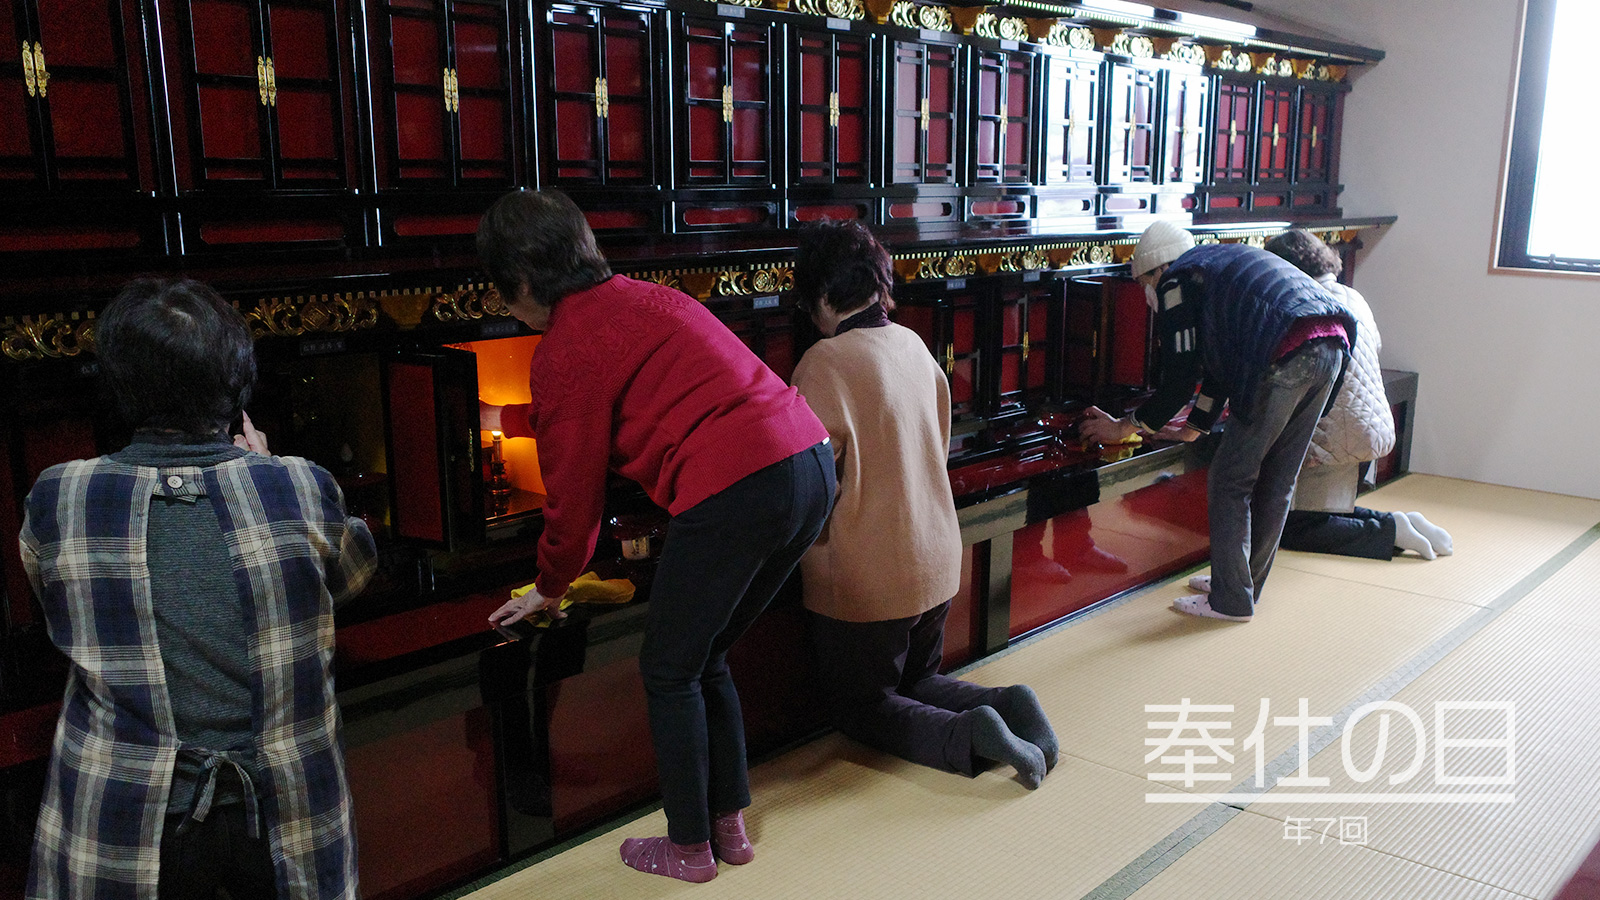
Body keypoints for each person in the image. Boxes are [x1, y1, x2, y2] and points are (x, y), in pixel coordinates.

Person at [475, 189, 834, 883]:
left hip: (738, 486)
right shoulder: (653, 297)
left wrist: (549, 589)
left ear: (519, 284)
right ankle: (728, 825)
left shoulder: (563, 351)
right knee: (706, 654)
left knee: (668, 667)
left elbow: (573, 506)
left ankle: (689, 848)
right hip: (810, 462)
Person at [20, 278, 377, 899]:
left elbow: (52, 592)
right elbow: (350, 574)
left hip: (123, 817)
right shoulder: (297, 484)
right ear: (237, 383)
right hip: (285, 815)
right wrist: (264, 465)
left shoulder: (60, 496)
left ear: (119, 387)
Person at [790, 221, 1058, 789]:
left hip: (866, 577)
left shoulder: (824, 362)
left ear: (819, 296)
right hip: (934, 557)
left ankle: (971, 736)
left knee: (862, 707)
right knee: (919, 680)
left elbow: (812, 483)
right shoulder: (912, 344)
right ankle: (1008, 704)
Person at [1080, 221, 1357, 622]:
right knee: (1278, 478)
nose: (1146, 293)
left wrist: (1125, 426)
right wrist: (1196, 427)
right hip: (1331, 344)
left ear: (1157, 268)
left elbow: (1179, 378)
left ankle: (1230, 599)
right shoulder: (1216, 267)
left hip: (1284, 351)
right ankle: (1241, 587)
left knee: (1231, 479)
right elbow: (1220, 367)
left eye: (1143, 281)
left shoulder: (1177, 279)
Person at [1244, 228, 1452, 563]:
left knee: (1291, 525)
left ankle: (1390, 531)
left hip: (1335, 432)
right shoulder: (1352, 296)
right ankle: (1400, 523)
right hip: (1374, 425)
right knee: (1320, 511)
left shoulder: (1301, 302)